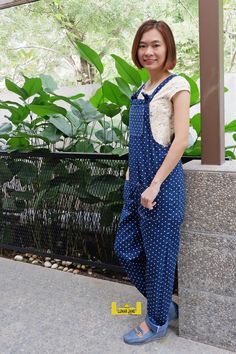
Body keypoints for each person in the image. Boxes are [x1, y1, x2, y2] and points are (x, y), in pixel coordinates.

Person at [113, 19, 190, 345]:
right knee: (125, 249)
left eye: (155, 44)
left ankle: (156, 321)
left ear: (167, 48)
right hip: (137, 185)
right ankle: (165, 305)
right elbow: (137, 143)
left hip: (163, 187)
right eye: (143, 45)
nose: (149, 51)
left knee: (159, 258)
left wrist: (155, 184)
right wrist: (132, 181)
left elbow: (181, 139)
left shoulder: (177, 86)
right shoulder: (138, 92)